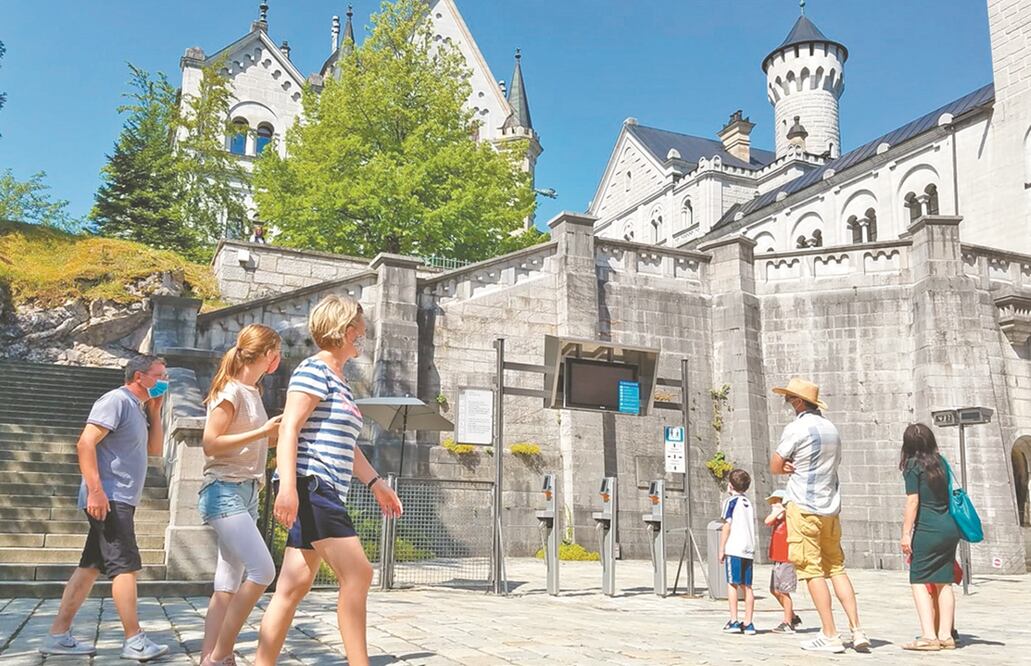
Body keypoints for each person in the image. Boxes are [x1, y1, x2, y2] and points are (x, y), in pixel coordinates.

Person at [255, 294, 403, 666]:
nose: (364, 335)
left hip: (320, 486)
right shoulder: (314, 370)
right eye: (360, 329)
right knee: (360, 574)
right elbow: (289, 426)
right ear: (344, 329)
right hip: (311, 484)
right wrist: (287, 486)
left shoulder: (339, 379)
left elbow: (346, 445)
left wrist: (376, 484)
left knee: (292, 587)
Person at [39, 355, 170, 661]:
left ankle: (57, 635)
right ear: (140, 376)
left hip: (120, 497)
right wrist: (96, 491)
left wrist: (156, 411)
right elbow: (85, 443)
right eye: (159, 375)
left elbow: (155, 450)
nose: (164, 381)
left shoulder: (138, 408)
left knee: (90, 567)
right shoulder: (115, 400)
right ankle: (134, 640)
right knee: (125, 565)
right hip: (109, 498)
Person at [199, 324, 283, 666]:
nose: (279, 359)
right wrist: (262, 431)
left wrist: (275, 436)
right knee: (263, 571)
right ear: (266, 355)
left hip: (247, 491)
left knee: (227, 582)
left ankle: (209, 658)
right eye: (276, 352)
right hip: (224, 492)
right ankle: (222, 654)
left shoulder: (254, 392)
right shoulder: (230, 392)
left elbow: (250, 441)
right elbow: (210, 444)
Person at [769, 377, 870, 654]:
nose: (788, 404)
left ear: (799, 402)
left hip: (803, 506)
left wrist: (788, 466)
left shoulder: (797, 427)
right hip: (830, 507)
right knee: (836, 567)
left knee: (811, 570)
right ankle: (857, 629)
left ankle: (829, 634)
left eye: (789, 400)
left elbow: (775, 465)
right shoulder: (832, 429)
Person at [899, 423, 962, 651]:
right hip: (949, 528)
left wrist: (906, 534)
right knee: (944, 582)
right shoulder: (941, 463)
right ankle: (946, 635)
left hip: (928, 529)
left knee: (918, 579)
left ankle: (928, 636)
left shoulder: (912, 466)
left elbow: (913, 501)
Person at [718, 469, 756, 636]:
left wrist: (722, 548)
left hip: (734, 547)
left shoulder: (731, 502)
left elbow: (727, 525)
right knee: (747, 586)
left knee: (732, 584)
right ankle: (748, 622)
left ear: (731, 485)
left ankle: (733, 620)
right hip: (748, 548)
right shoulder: (749, 503)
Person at [764, 489, 802, 634]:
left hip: (787, 557)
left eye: (776, 501)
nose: (773, 504)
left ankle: (788, 622)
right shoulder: (777, 517)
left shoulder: (790, 515)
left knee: (784, 591)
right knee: (774, 590)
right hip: (777, 557)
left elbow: (768, 520)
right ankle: (792, 616)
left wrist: (781, 510)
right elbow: (768, 521)